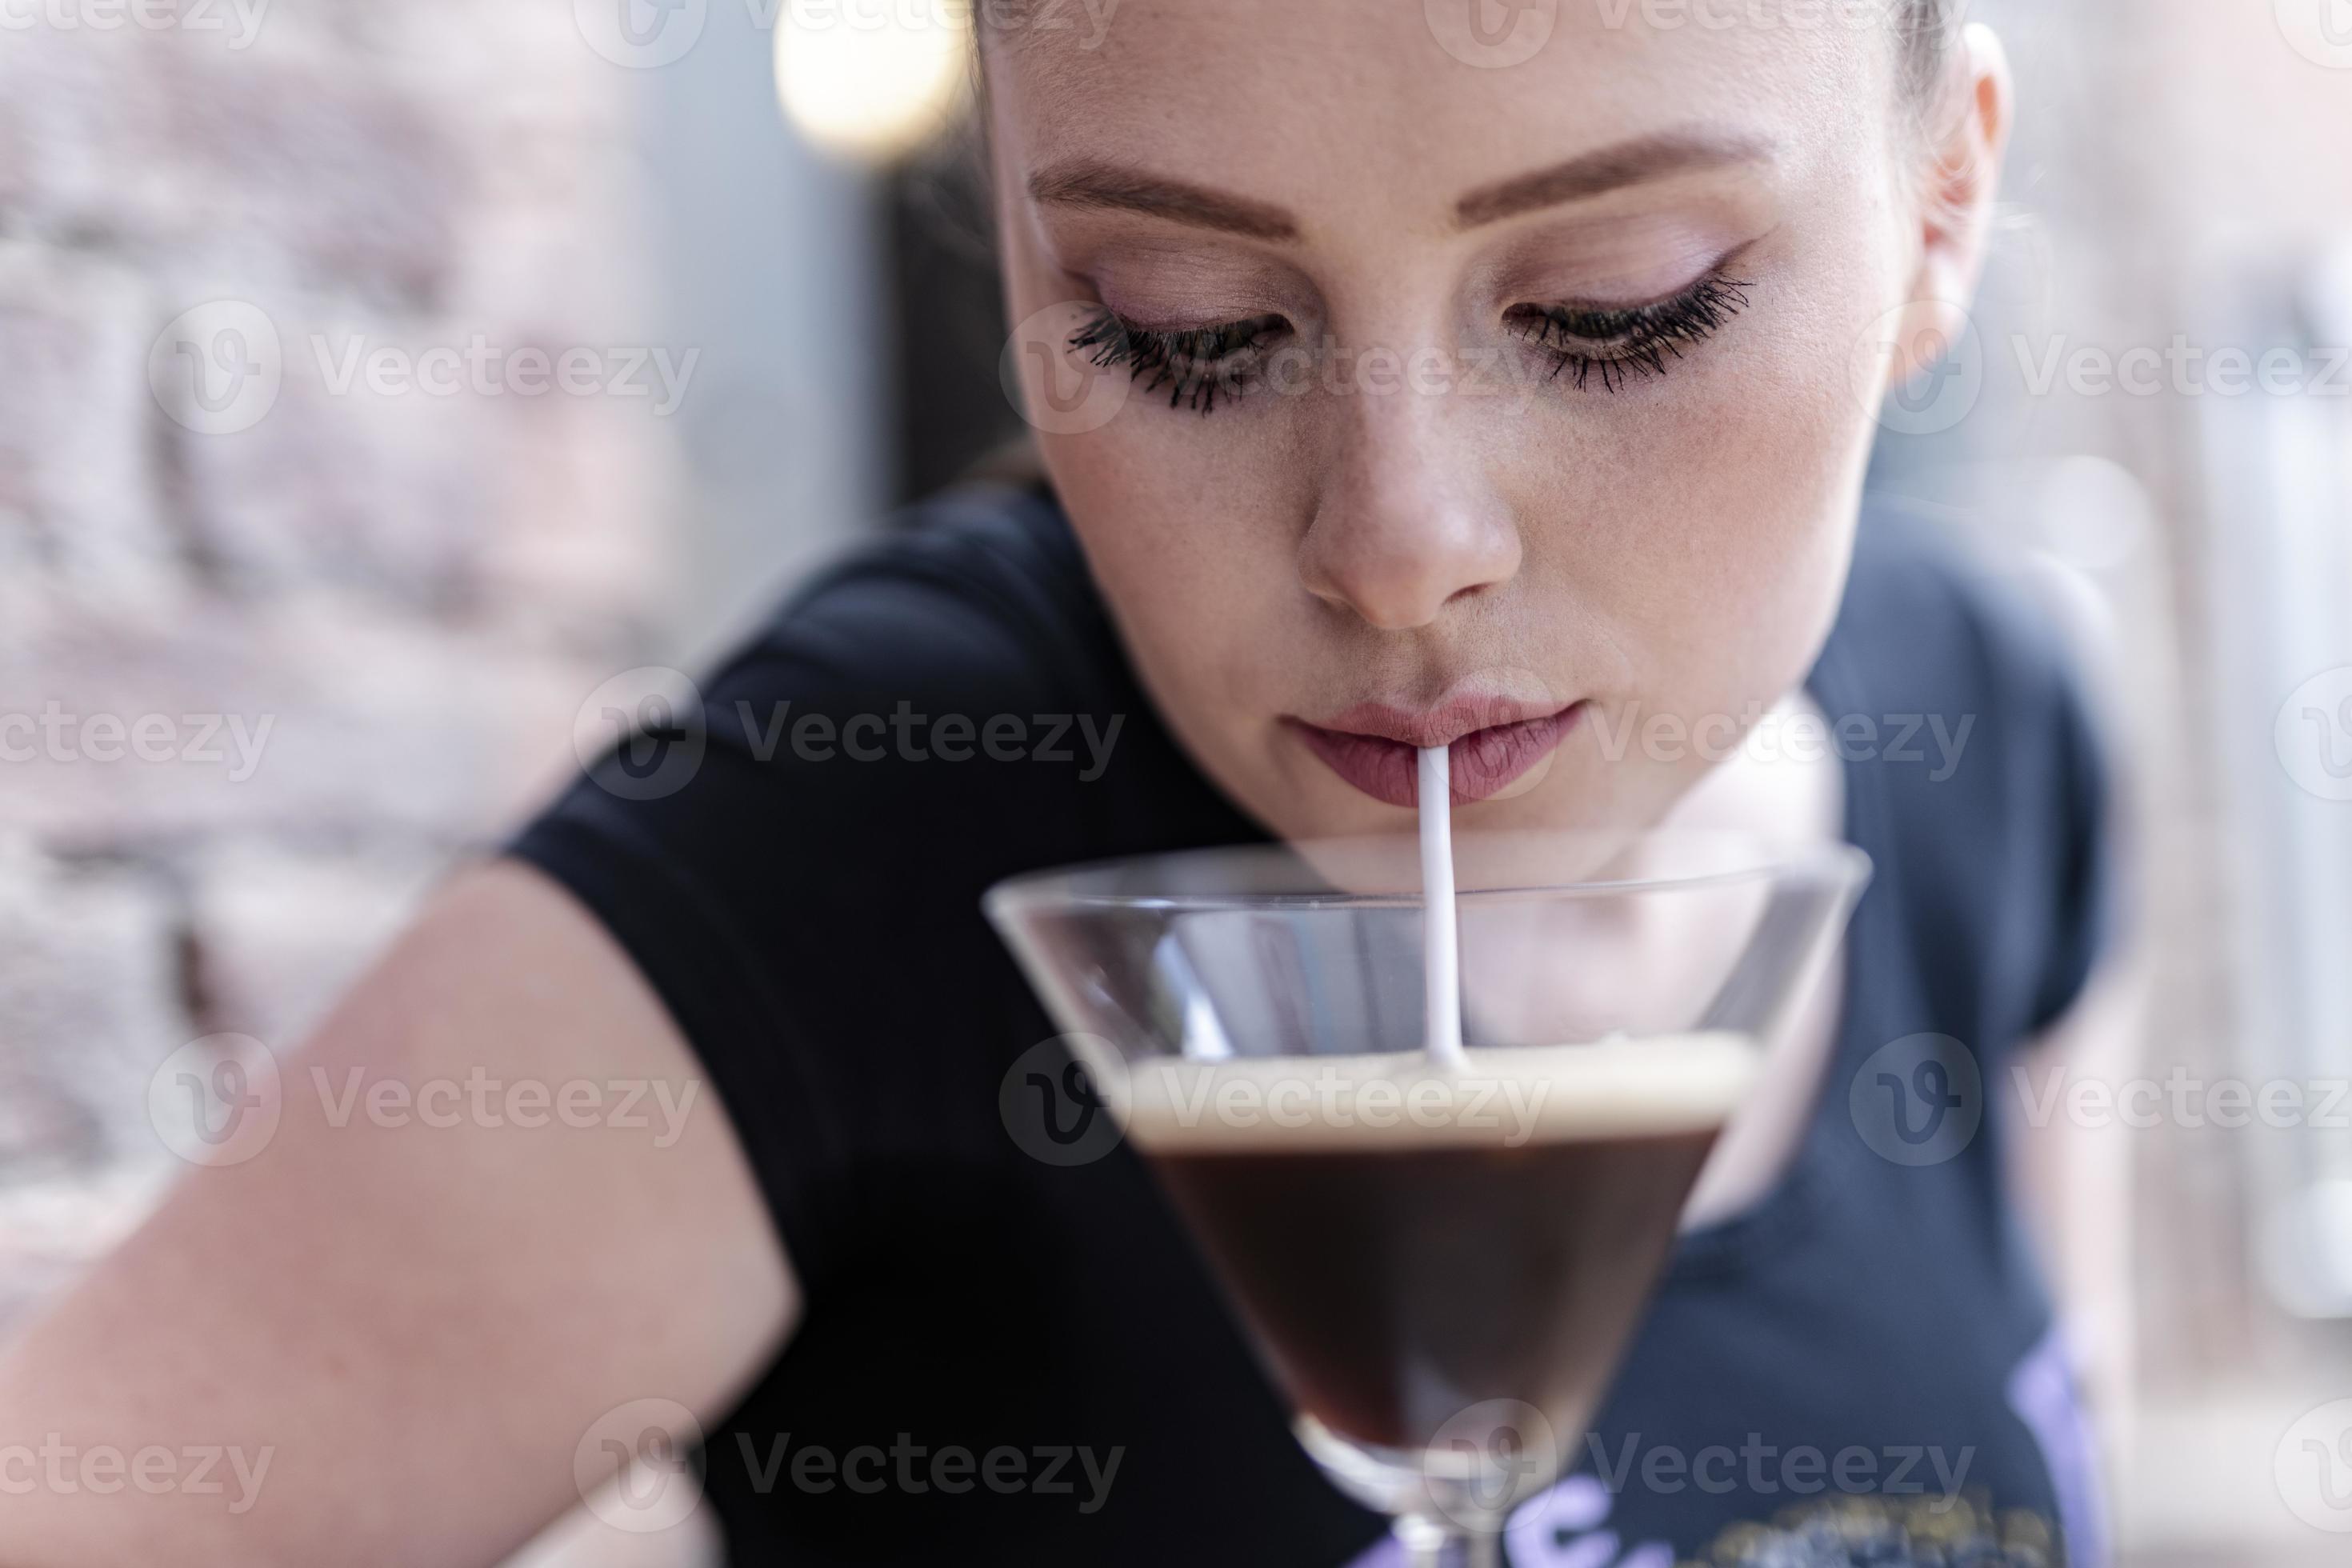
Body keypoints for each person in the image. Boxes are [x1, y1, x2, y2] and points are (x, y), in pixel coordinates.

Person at [0, 2, 2122, 1563]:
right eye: (1179, 325)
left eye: (1609, 312)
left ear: (1939, 209)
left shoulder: (1999, 734)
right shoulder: (853, 816)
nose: (1397, 543)